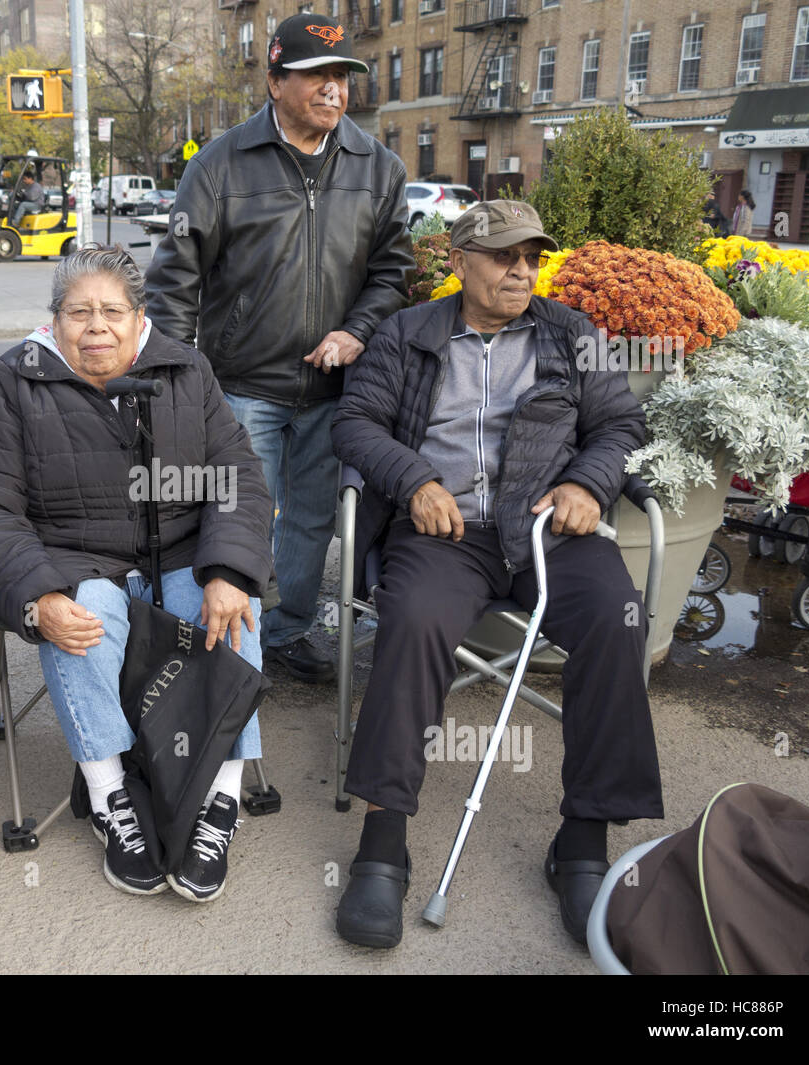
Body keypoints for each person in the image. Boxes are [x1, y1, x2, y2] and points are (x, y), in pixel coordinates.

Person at [330, 201, 664, 949]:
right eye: (504, 256)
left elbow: (620, 424)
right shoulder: (407, 334)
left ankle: (581, 844)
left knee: (619, 617)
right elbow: (355, 424)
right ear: (459, 261)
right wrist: (414, 479)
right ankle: (383, 845)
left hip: (549, 530)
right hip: (445, 531)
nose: (521, 270)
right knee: (413, 618)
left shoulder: (571, 334)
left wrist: (587, 481)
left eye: (531, 258)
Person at [0, 245, 273, 902]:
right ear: (55, 319)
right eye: (78, 312)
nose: (96, 326)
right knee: (80, 618)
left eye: (111, 311)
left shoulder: (185, 368)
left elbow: (237, 479)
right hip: (73, 556)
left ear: (139, 318)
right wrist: (35, 594)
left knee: (233, 609)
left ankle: (220, 800)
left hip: (185, 550)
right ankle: (110, 797)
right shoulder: (18, 379)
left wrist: (229, 569)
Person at [145, 12, 414, 684]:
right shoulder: (220, 164)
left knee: (312, 523)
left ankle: (288, 632)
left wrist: (357, 329)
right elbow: (175, 282)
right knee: (242, 515)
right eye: (315, 75)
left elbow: (393, 270)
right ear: (273, 80)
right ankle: (239, 642)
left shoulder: (377, 167)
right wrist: (180, 382)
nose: (333, 89)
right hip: (242, 385)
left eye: (343, 76)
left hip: (333, 391)